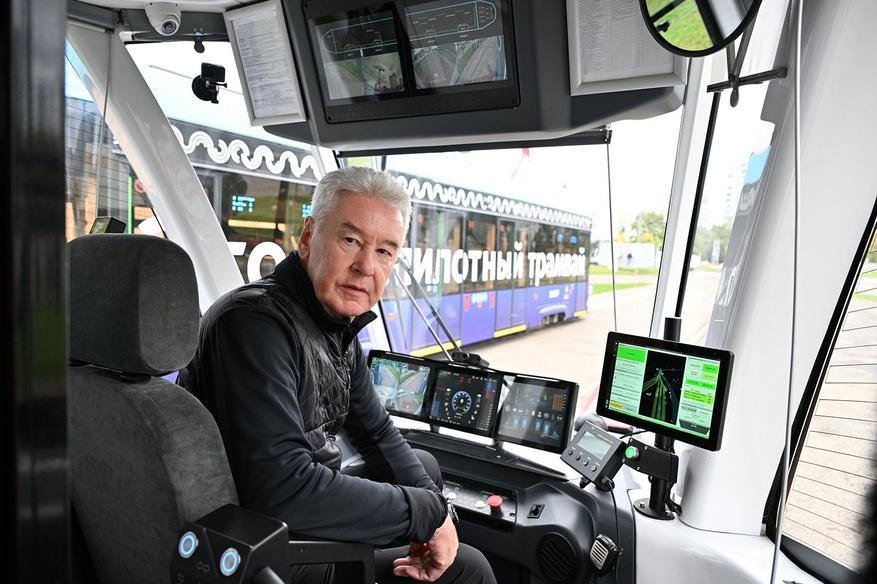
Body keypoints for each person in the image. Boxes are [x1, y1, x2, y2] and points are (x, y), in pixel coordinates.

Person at [181, 167, 495, 584]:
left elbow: (377, 431)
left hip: (291, 512)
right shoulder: (253, 324)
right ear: (308, 237)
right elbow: (281, 489)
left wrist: (438, 512)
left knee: (425, 467)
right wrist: (426, 516)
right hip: (270, 550)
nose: (366, 266)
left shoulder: (334, 325)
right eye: (350, 240)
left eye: (384, 251)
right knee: (471, 569)